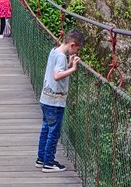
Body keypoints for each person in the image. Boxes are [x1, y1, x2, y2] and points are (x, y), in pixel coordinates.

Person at [35, 29, 84, 173]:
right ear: (73, 45)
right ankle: (49, 162)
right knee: (54, 133)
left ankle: (41, 158)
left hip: (46, 98)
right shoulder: (61, 56)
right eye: (77, 49)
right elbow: (57, 76)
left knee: (46, 129)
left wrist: (68, 65)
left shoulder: (54, 51)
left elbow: (58, 71)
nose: (76, 52)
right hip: (55, 102)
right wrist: (73, 68)